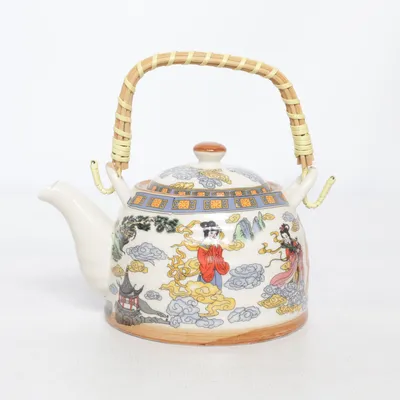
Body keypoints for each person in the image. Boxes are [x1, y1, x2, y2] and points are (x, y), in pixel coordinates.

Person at [197, 221, 230, 289]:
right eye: (211, 233)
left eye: (215, 234)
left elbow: (219, 255)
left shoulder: (216, 244)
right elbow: (200, 257)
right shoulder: (205, 244)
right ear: (207, 233)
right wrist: (211, 259)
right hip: (208, 269)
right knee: (207, 289)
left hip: (217, 268)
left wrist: (218, 260)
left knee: (218, 287)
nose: (214, 236)